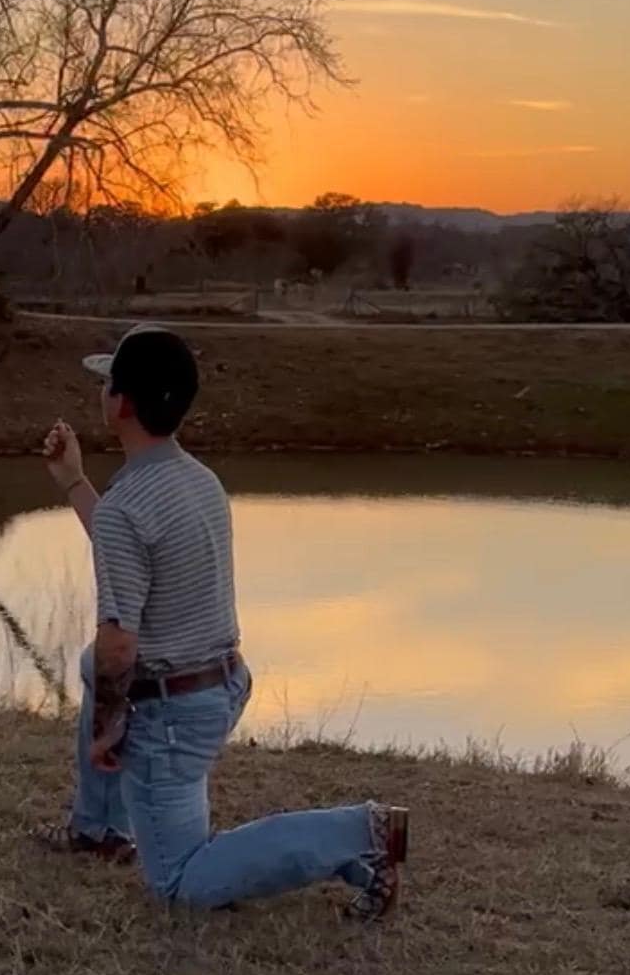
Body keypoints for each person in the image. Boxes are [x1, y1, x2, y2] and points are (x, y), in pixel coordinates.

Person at [37, 325, 409, 917]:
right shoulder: (196, 482)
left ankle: (359, 832)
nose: (102, 391)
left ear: (121, 405)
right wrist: (75, 482)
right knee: (92, 669)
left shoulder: (131, 505)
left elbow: (119, 641)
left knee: (180, 882)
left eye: (108, 382)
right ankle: (100, 828)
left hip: (171, 713)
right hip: (219, 681)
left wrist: (108, 727)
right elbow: (130, 549)